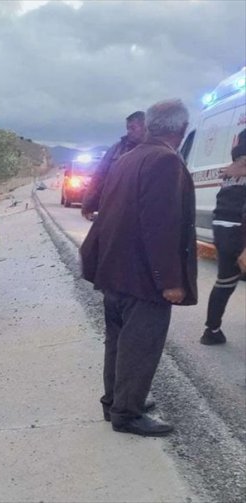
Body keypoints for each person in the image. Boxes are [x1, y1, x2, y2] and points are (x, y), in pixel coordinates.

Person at [80, 99, 197, 437]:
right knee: (140, 345)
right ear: (182, 129)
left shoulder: (128, 157)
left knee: (117, 342)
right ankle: (127, 414)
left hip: (115, 270)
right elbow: (160, 226)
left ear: (150, 126)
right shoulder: (164, 161)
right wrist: (170, 281)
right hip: (143, 277)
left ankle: (116, 401)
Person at [200, 128, 246, 345]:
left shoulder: (231, 171)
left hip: (221, 226)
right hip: (240, 229)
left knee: (225, 281)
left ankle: (212, 330)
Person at [81, 111, 146, 219]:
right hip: (115, 208)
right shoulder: (116, 149)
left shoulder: (158, 151)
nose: (129, 132)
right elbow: (100, 176)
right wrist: (89, 204)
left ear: (145, 127)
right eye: (128, 128)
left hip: (142, 210)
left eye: (133, 128)